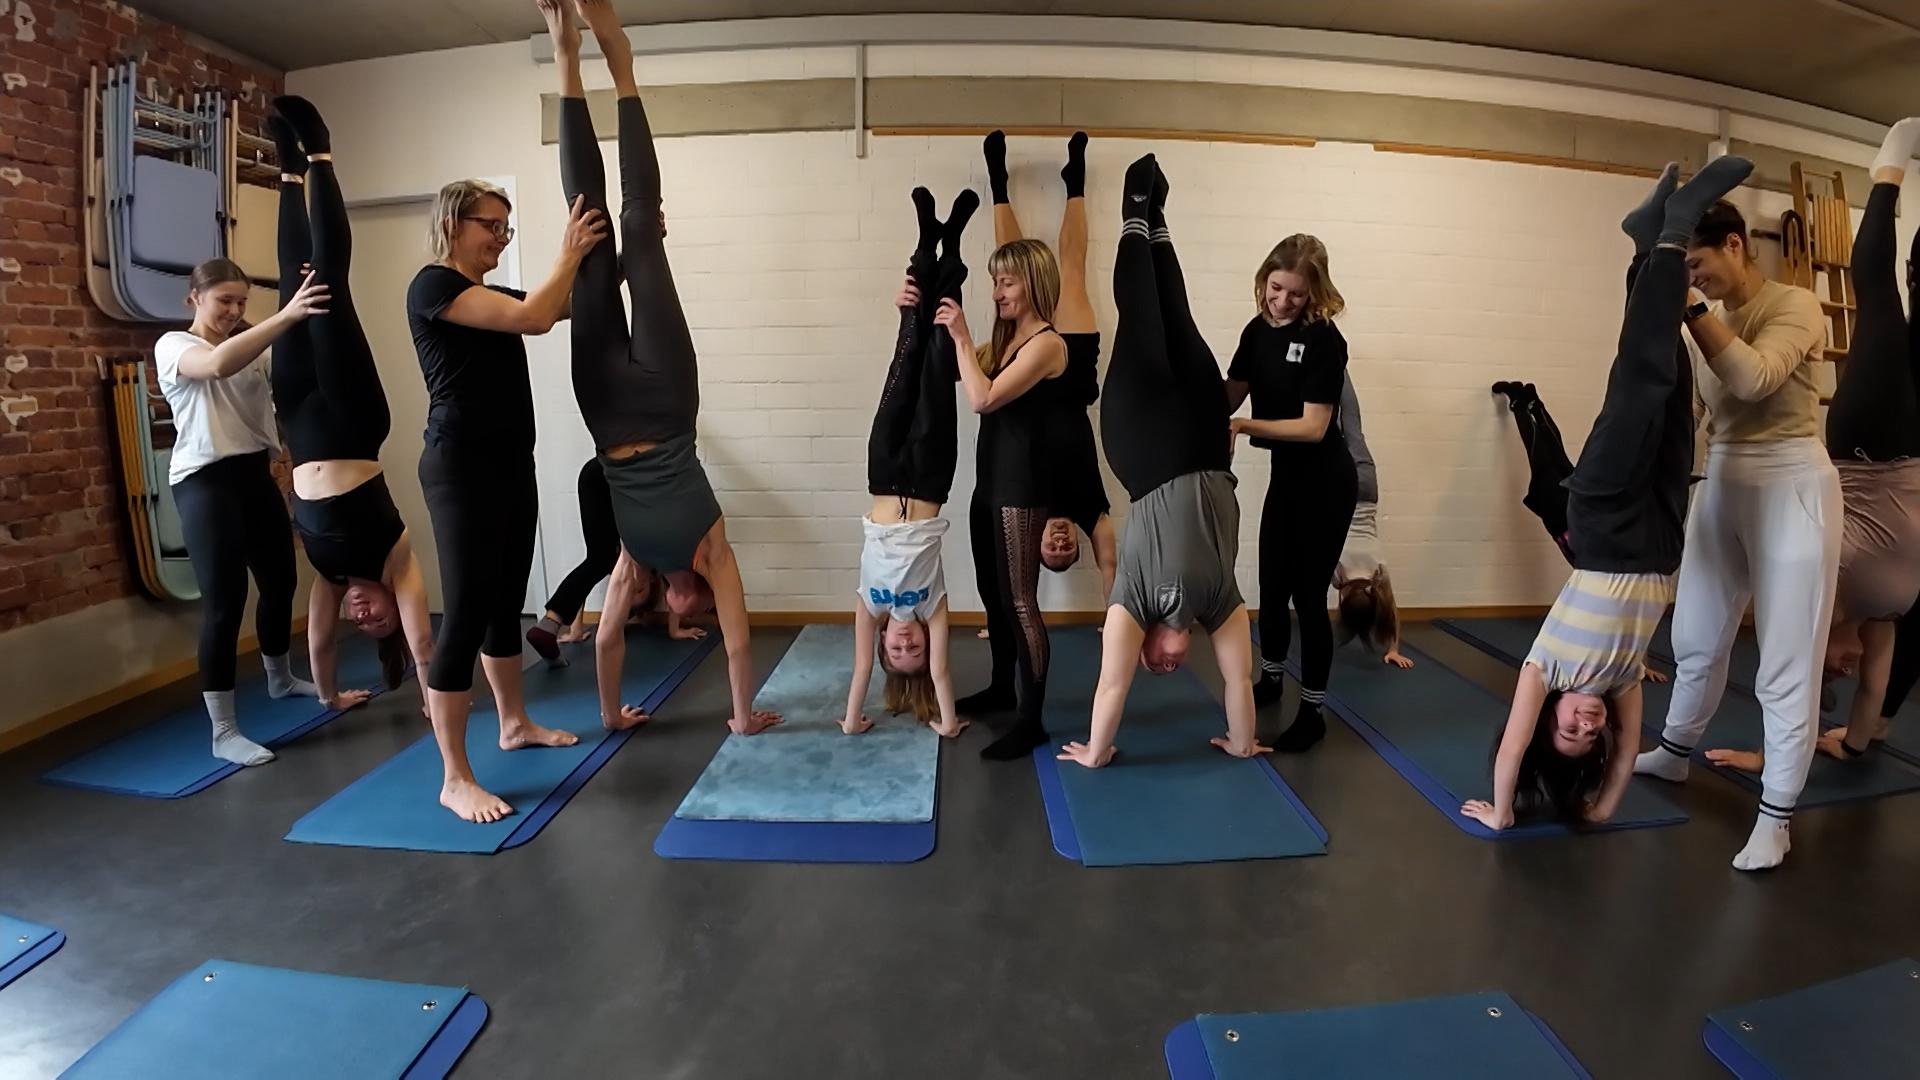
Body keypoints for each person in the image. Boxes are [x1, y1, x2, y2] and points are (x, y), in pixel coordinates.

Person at [1461, 156, 1753, 831]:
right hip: (1658, 541)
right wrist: (1600, 807)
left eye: (1569, 731)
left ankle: (1673, 235)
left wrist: (1504, 813)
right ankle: (1646, 246)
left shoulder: (1544, 668)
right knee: (1672, 387)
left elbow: (1512, 748)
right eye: (1590, 736)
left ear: (1550, 718)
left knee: (1639, 382)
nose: (1587, 726)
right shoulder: (1622, 683)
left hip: (1600, 524)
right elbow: (1624, 758)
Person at [545, 0, 778, 736]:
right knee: (640, 227)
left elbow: (607, 638)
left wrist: (611, 714)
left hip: (607, 412)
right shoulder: (714, 549)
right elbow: (741, 640)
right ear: (700, 601)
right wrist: (744, 716)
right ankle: (620, 63)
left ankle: (564, 59)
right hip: (670, 400)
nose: (686, 611)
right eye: (695, 610)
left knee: (588, 237)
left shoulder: (633, 568)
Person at [1631, 172, 1840, 871]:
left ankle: (1776, 816)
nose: (1695, 278)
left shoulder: (1798, 303)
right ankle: (1675, 752)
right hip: (1724, 477)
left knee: (1784, 662)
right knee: (1694, 638)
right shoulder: (1705, 318)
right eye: (1686, 268)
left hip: (1793, 482)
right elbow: (1705, 407)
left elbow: (1754, 379)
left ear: (1735, 245)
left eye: (1698, 263)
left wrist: (1689, 306)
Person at [1701, 119, 1920, 770]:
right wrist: (1853, 741)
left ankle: (1893, 157)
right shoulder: (1883, 620)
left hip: (1865, 437)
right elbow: (1877, 691)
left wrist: (1762, 758)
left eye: (1836, 666)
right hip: (1917, 449)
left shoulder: (1813, 601)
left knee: (1876, 291)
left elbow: (1788, 685)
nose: (1851, 664)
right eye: (1847, 670)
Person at [408, 141, 606, 821]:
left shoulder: (484, 294)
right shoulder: (434, 286)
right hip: (459, 469)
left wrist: (626, 256)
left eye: (505, 227)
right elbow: (538, 317)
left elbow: (569, 305)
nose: (499, 236)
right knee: (463, 613)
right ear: (452, 224)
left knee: (504, 605)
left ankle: (513, 724)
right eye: (489, 224)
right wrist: (569, 252)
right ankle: (454, 776)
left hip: (507, 464)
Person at [1056, 154, 1265, 770]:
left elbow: (1111, 685)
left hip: (1144, 446)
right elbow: (1238, 683)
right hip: (1203, 440)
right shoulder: (1219, 603)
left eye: (1154, 663)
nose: (1166, 665)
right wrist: (1243, 742)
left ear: (1142, 644)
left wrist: (1096, 751)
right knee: (1179, 316)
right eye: (1173, 665)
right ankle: (1160, 218)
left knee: (1142, 321)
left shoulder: (1131, 601)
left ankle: (1134, 211)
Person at [263, 97, 433, 719]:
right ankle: (320, 150)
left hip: (303, 425)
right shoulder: (397, 557)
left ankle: (286, 169)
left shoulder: (332, 581)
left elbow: (315, 638)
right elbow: (421, 639)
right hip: (355, 420)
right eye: (378, 618)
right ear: (393, 599)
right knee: (328, 276)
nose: (364, 616)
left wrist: (330, 697)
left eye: (364, 624)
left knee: (291, 280)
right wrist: (431, 691)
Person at [156, 257, 328, 766]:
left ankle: (279, 679)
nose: (233, 311)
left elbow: (286, 375)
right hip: (205, 483)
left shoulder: (254, 347)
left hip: (255, 475)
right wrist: (287, 316)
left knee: (280, 581)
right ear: (195, 298)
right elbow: (216, 365)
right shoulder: (175, 346)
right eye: (223, 301)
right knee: (225, 603)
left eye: (240, 302)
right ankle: (223, 731)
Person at [843, 187, 977, 740]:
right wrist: (946, 722)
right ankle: (954, 248)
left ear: (882, 644)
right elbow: (942, 672)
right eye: (911, 649)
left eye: (896, 650)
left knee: (907, 344)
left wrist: (852, 720)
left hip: (882, 470)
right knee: (939, 350)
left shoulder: (869, 609)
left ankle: (927, 238)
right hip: (928, 475)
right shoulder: (935, 606)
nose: (905, 642)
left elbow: (856, 673)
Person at [1227, 234, 1358, 750]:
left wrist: (1242, 426)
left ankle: (1314, 709)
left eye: (1296, 294)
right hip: (1287, 480)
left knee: (1307, 596)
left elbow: (1313, 428)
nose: (1282, 301)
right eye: (1276, 288)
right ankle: (1273, 677)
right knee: (1271, 587)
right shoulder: (1256, 331)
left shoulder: (1324, 339)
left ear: (1314, 294)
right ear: (1264, 280)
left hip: (1327, 483)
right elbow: (1229, 393)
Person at [983, 130, 1119, 599]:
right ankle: (1075, 182)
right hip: (1074, 378)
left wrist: (1002, 619)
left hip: (1026, 375)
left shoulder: (1028, 511)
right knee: (1073, 268)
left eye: (1051, 551)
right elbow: (1110, 563)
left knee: (1015, 272)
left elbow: (1015, 580)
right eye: (1068, 550)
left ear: (1038, 544)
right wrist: (1112, 618)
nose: (1059, 542)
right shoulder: (1089, 510)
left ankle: (998, 185)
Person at [524, 457, 705, 666]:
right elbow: (675, 586)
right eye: (638, 591)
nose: (633, 583)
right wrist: (674, 630)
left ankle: (550, 623)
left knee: (596, 559)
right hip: (621, 473)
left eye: (629, 592)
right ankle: (550, 623)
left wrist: (576, 629)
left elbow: (584, 583)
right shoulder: (658, 560)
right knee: (598, 560)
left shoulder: (617, 566)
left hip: (596, 477)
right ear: (653, 582)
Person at [1329, 373, 1413, 669]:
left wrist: (1394, 647)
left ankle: (1342, 366)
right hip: (1339, 490)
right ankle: (1334, 364)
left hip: (1366, 489)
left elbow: (1393, 614)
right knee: (1328, 427)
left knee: (1352, 425)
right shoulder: (1338, 574)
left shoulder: (1379, 578)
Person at [1490, 380, 1578, 565]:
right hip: (1565, 515)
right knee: (1544, 455)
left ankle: (1533, 405)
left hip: (1572, 513)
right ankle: (1522, 404)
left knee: (1556, 454)